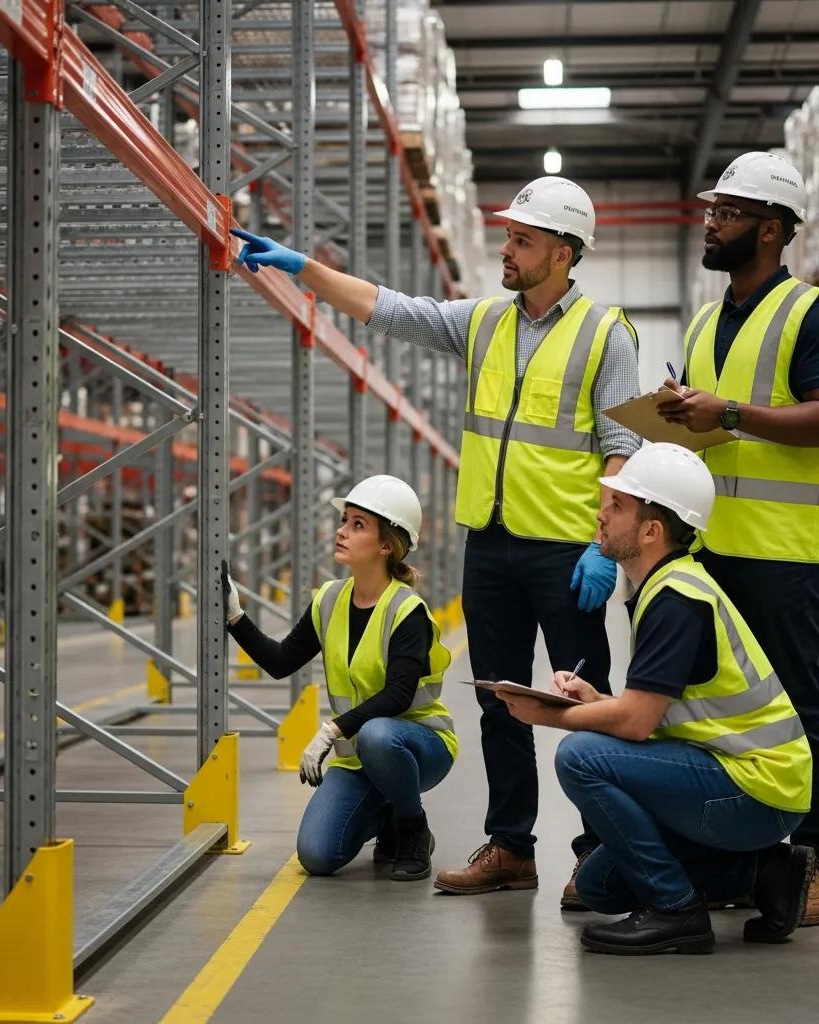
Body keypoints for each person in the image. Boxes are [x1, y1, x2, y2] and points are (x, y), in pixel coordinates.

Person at [231, 176, 641, 905]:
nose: (506, 249)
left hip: (565, 554)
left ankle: (601, 856)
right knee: (501, 704)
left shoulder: (606, 334)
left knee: (589, 707)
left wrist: (601, 546)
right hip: (490, 546)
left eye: (521, 240)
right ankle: (511, 848)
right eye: (507, 235)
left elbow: (620, 446)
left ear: (563, 253)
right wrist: (303, 268)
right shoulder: (483, 321)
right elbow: (390, 309)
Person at [497, 442, 814, 955]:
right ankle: (766, 872)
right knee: (601, 885)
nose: (601, 515)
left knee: (579, 756)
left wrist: (554, 716)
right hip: (740, 776)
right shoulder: (666, 586)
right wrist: (595, 699)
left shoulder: (677, 600)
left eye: (617, 505)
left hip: (757, 789)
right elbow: (659, 711)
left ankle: (677, 911)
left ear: (650, 531)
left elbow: (637, 724)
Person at [656, 152, 819, 925]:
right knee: (715, 712)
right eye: (711, 211)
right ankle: (730, 863)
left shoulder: (806, 313)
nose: (711, 224)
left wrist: (725, 413)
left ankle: (812, 864)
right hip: (711, 554)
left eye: (726, 214)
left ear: (772, 229)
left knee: (803, 712)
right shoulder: (702, 322)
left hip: (788, 554)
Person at [223, 475, 457, 881]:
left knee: (378, 734)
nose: (341, 531)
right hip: (359, 755)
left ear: (387, 545)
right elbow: (281, 661)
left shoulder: (407, 611)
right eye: (344, 520)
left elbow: (399, 695)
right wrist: (234, 616)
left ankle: (412, 828)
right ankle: (385, 816)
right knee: (317, 855)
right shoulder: (329, 599)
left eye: (357, 524)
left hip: (419, 746)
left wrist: (331, 730)